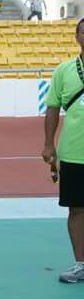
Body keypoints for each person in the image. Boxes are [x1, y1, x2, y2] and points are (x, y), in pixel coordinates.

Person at [42, 17, 84, 284]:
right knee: (77, 210)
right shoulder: (64, 71)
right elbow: (53, 108)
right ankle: (81, 263)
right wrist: (49, 144)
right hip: (73, 153)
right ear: (77, 37)